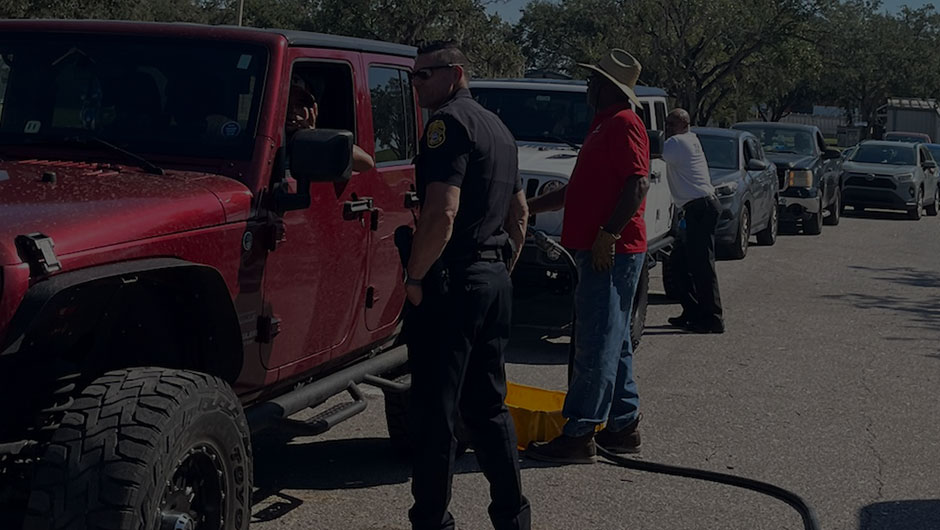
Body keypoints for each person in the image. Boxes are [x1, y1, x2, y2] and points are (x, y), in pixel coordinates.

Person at [403, 40, 531, 530]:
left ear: (454, 73)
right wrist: (503, 268)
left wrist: (415, 277)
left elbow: (442, 212)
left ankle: (431, 521)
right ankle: (512, 518)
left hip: (453, 282)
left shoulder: (447, 124)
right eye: (414, 76)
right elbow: (518, 214)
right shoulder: (499, 127)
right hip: (491, 278)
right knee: (488, 407)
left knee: (435, 413)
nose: (416, 85)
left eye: (424, 76)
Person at [524, 49, 650, 464]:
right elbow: (575, 192)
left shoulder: (624, 124)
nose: (587, 87)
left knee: (595, 342)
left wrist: (608, 234)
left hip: (611, 251)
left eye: (593, 81)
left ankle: (579, 432)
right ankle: (622, 424)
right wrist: (529, 207)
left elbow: (638, 183)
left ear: (608, 88)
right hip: (599, 247)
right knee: (613, 340)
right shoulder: (602, 126)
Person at [662, 108, 724, 334]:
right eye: (666, 123)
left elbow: (650, 150)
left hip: (701, 208)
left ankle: (713, 318)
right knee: (678, 265)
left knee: (702, 267)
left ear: (684, 125)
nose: (667, 127)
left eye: (672, 123)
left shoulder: (678, 143)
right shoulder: (688, 139)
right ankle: (693, 311)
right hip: (694, 209)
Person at [286, 83, 375, 172]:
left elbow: (367, 163)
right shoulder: (273, 136)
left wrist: (312, 136)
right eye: (286, 102)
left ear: (313, 111)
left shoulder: (313, 140)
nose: (293, 110)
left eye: (299, 104)